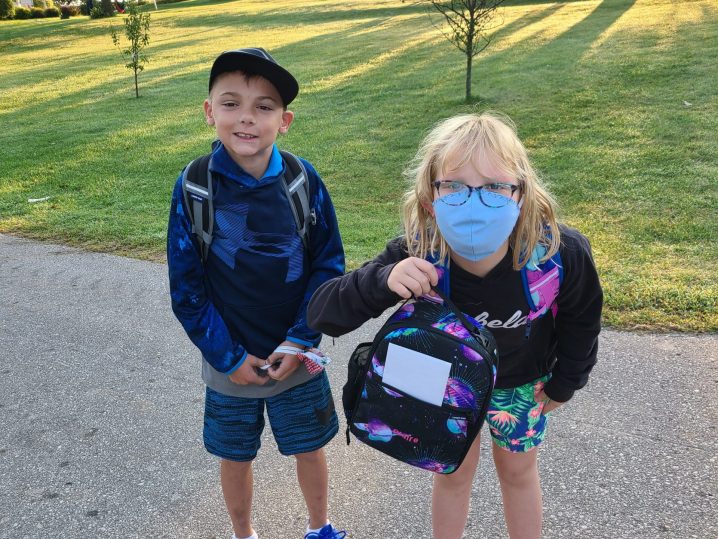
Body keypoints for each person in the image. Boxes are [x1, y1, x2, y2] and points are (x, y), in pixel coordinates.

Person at [307, 112, 602, 539]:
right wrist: (383, 280)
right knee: (452, 474)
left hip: (521, 385)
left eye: (495, 186)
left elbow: (582, 320)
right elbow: (323, 313)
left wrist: (567, 382)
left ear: (521, 195)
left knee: (518, 473)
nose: (474, 200)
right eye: (454, 185)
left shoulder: (558, 253)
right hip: (445, 387)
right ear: (431, 198)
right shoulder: (419, 251)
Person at [167, 48, 347, 539]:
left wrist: (301, 339)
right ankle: (243, 533)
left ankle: (320, 527)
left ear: (284, 121)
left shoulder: (303, 181)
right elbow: (186, 289)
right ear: (209, 111)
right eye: (231, 103)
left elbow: (328, 266)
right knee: (235, 455)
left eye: (264, 107)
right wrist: (227, 356)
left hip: (297, 355)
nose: (247, 117)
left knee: (310, 447)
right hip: (229, 359)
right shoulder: (194, 187)